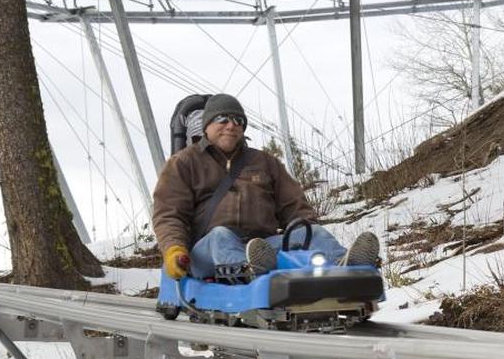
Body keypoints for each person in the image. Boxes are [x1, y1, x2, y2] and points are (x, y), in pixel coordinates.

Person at [153, 93, 379, 282]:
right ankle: (250, 274)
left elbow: (295, 207)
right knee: (221, 236)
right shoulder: (184, 163)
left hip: (260, 246)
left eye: (238, 120)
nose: (231, 125)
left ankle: (347, 269)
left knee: (312, 232)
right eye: (222, 119)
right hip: (205, 251)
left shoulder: (264, 162)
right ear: (207, 126)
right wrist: (174, 249)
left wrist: (305, 235)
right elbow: (169, 214)